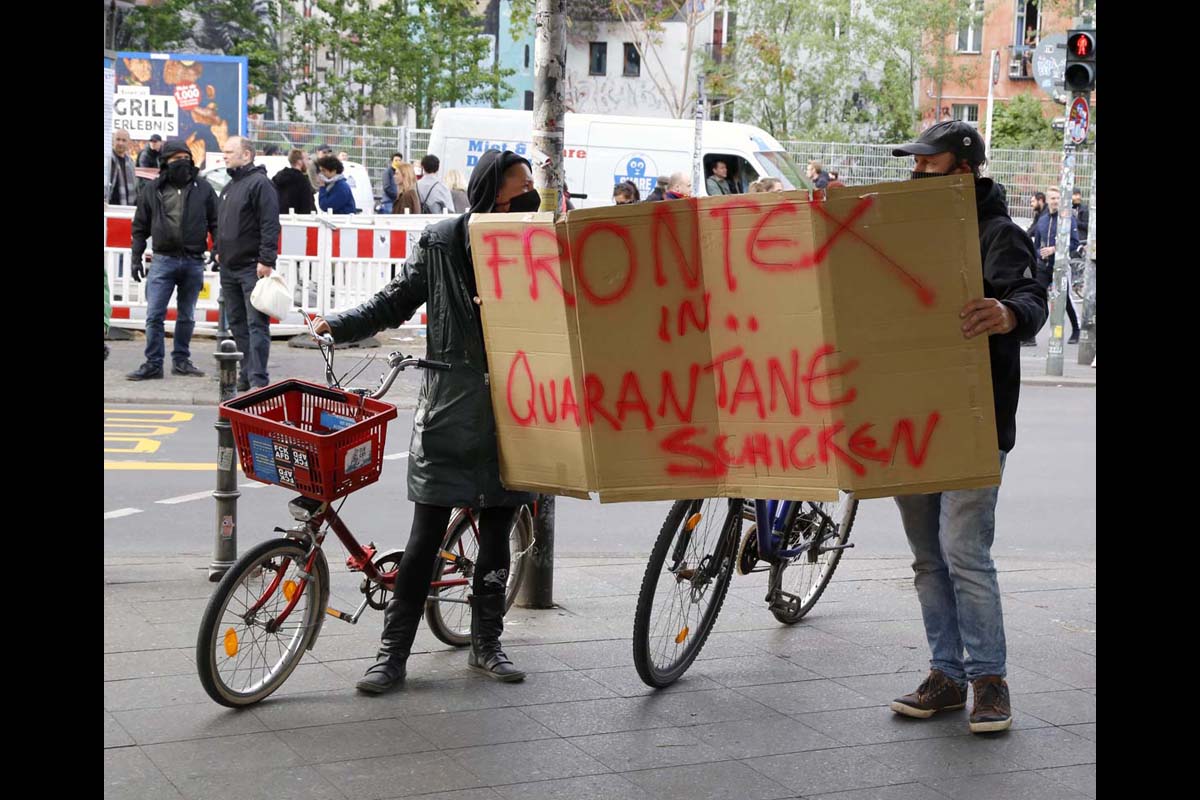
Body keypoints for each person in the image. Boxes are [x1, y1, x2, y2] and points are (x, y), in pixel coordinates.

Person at [310, 149, 543, 694]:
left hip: (516, 412)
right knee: (423, 543)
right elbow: (395, 300)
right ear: (491, 192)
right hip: (450, 413)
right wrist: (336, 325)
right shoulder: (442, 242)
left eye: (531, 189)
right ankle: (392, 655)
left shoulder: (536, 247)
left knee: (494, 540)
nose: (527, 197)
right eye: (518, 189)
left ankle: (487, 644)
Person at [888, 120, 1047, 735]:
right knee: (929, 557)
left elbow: (1031, 297)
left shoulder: (998, 234)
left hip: (972, 420)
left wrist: (1007, 313)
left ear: (961, 170)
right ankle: (946, 676)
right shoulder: (902, 234)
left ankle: (988, 678)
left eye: (925, 164)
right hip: (904, 417)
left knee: (963, 553)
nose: (914, 173)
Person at [126, 139, 218, 381]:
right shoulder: (153, 189)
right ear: (165, 161)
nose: (182, 162)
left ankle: (181, 361)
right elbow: (140, 227)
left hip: (193, 260)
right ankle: (153, 363)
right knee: (154, 315)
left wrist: (218, 249)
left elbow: (216, 222)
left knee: (187, 315)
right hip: (162, 260)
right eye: (176, 159)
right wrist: (136, 257)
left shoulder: (204, 188)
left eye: (185, 157)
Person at [215, 136, 280, 392]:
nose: (225, 156)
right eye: (224, 152)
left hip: (251, 266)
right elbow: (223, 223)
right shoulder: (230, 186)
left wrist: (266, 259)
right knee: (238, 323)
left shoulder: (260, 184)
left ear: (246, 155)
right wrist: (217, 250)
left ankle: (258, 378)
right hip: (229, 267)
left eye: (230, 152)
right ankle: (246, 371)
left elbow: (269, 223)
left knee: (256, 324)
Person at [1031, 187, 1080, 343]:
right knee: (1036, 296)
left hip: (1061, 266)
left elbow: (1074, 243)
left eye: (1058, 198)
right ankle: (1030, 335)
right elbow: (1037, 245)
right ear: (1047, 200)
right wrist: (1040, 253)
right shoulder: (1043, 220)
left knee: (1065, 298)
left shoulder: (1068, 219)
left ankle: (1077, 331)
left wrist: (1054, 249)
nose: (1055, 201)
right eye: (1052, 198)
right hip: (1043, 267)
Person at [272, 149, 316, 215]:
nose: (309, 163)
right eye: (307, 159)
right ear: (299, 162)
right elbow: (307, 206)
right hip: (299, 222)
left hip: (280, 219)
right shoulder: (302, 180)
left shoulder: (278, 178)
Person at [108, 128, 138, 205]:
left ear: (128, 143)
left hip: (127, 210)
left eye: (124, 140)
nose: (120, 143)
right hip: (108, 210)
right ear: (113, 140)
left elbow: (135, 189)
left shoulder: (131, 162)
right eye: (118, 139)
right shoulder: (107, 160)